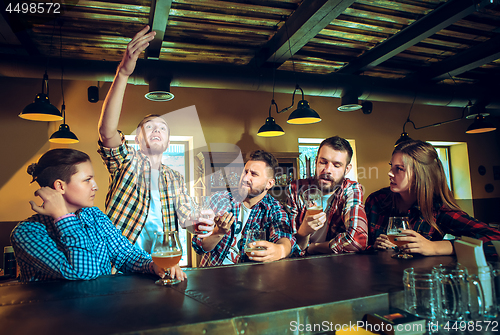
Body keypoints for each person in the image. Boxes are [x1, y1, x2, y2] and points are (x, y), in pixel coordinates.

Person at [97, 26, 214, 269]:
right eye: (149, 127)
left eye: (162, 128)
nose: (157, 130)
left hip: (163, 264)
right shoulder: (126, 162)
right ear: (137, 139)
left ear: (168, 142)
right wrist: (123, 73)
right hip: (118, 265)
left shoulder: (175, 177)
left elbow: (187, 219)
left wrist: (203, 224)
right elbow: (107, 132)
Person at [10, 148, 179, 282]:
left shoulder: (94, 215)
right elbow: (84, 272)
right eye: (87, 179)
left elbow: (124, 254)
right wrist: (63, 217)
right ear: (60, 186)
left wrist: (152, 264)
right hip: (57, 320)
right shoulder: (27, 233)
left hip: (101, 313)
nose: (95, 186)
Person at [366, 140, 500, 257]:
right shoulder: (376, 200)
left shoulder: (438, 209)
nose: (390, 173)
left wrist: (436, 247)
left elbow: (496, 238)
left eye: (399, 169)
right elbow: (356, 245)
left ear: (420, 175)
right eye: (391, 166)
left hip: (421, 281)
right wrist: (374, 247)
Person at [192, 150, 297, 266]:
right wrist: (219, 232)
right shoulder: (220, 199)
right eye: (245, 172)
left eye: (254, 174)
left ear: (269, 184)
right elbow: (199, 247)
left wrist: (280, 250)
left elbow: (285, 238)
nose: (245, 178)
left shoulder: (274, 209)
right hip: (213, 276)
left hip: (252, 280)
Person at [286, 136, 368, 255]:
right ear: (316, 162)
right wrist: (303, 232)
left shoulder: (351, 189)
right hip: (300, 264)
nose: (327, 170)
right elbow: (287, 244)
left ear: (347, 169)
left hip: (337, 265)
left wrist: (312, 248)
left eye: (336, 165)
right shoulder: (296, 188)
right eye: (323, 162)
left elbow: (357, 241)